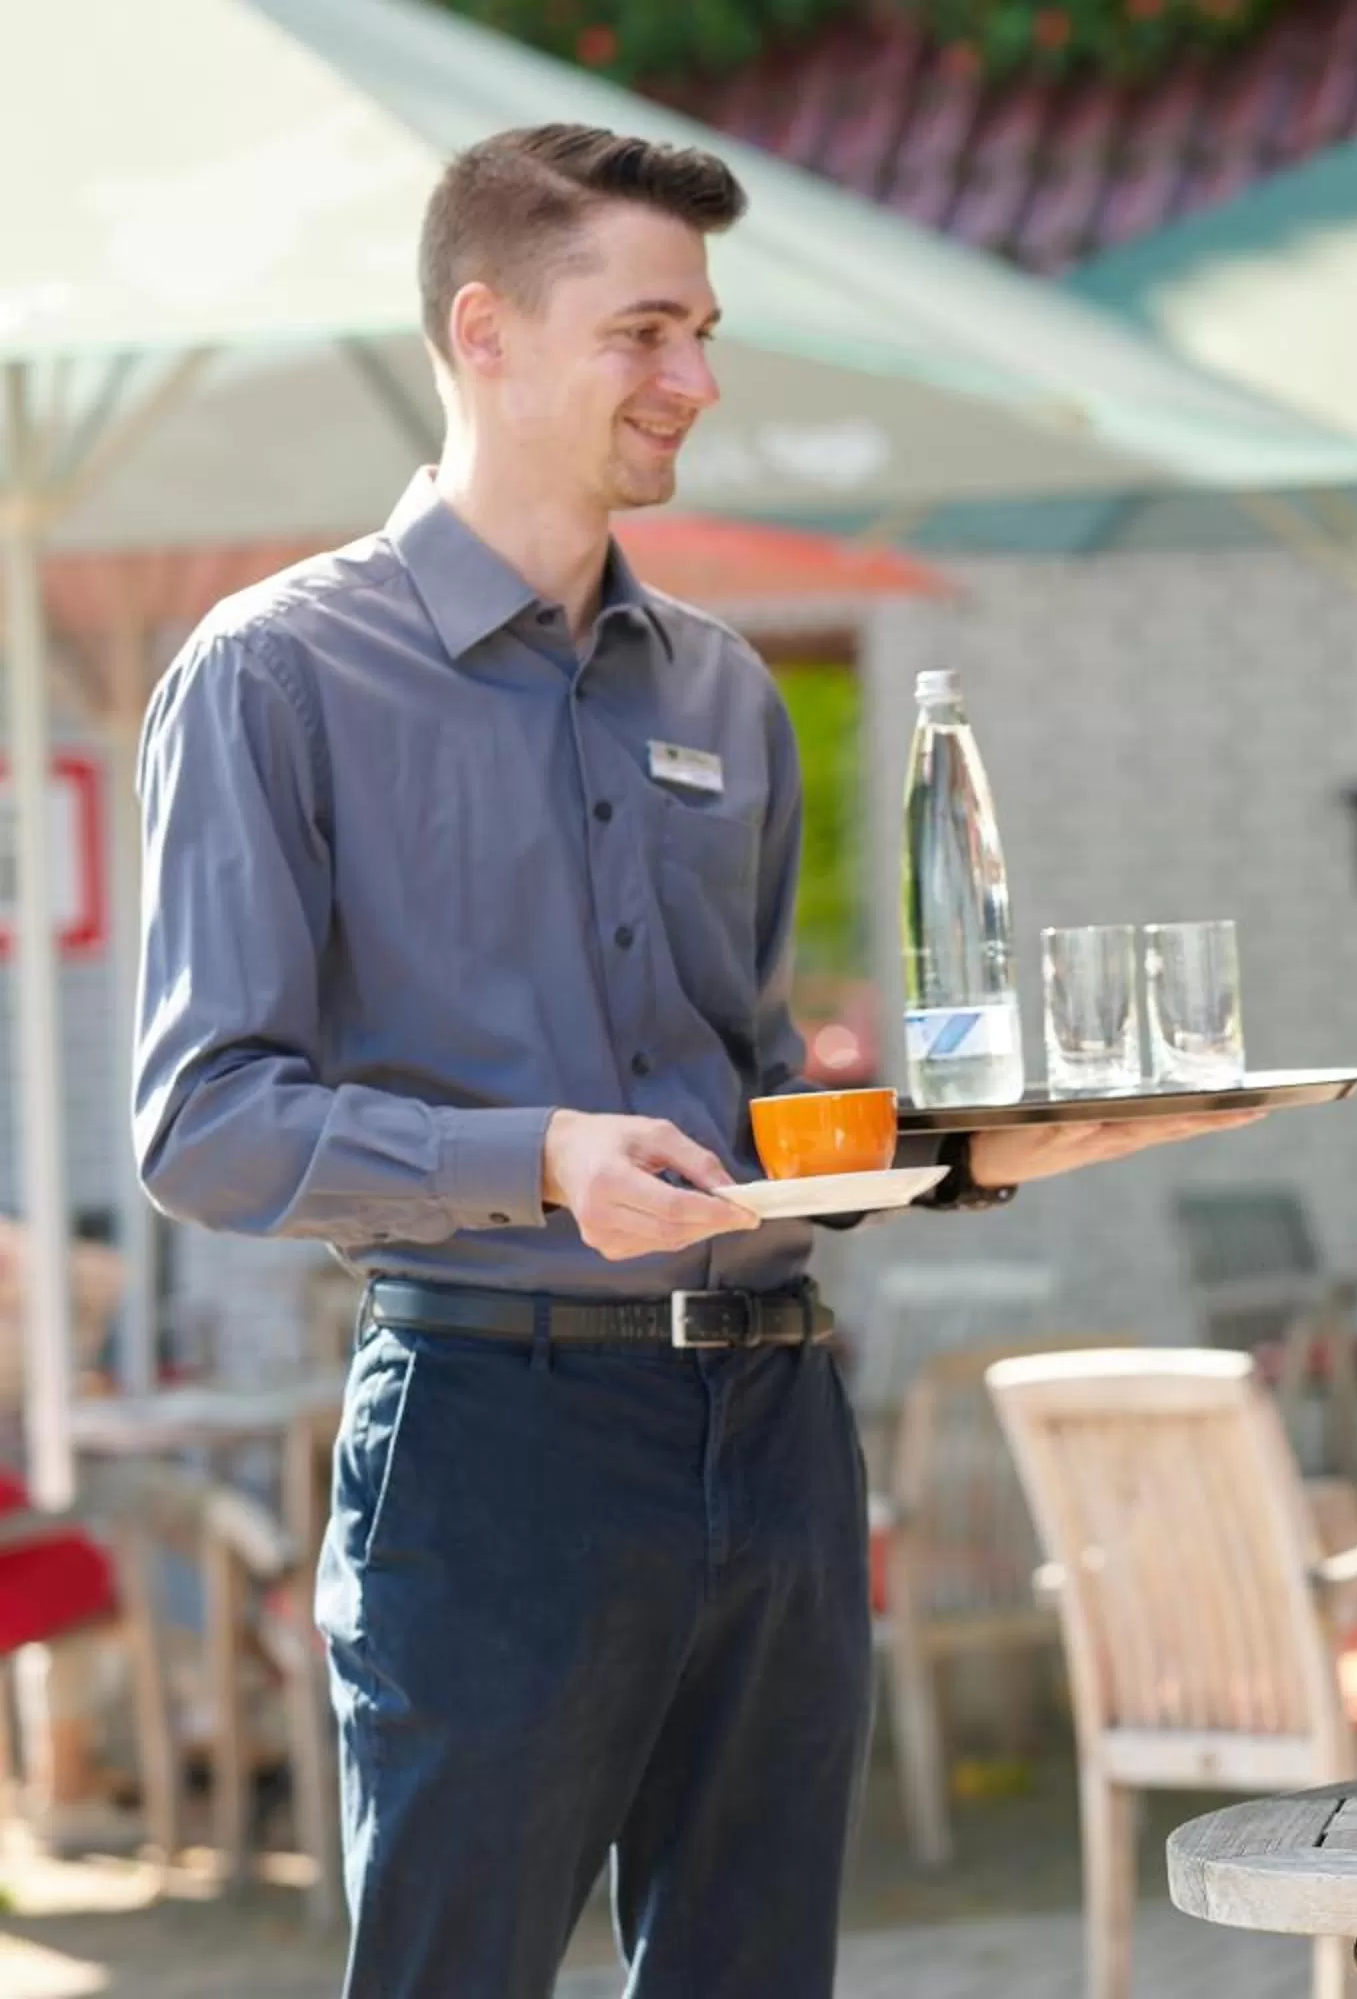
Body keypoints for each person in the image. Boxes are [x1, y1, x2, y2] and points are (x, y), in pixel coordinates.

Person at [132, 124, 1252, 1999]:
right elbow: (201, 1124)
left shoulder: (726, 691)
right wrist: (542, 1155)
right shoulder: (277, 677)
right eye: (647, 332)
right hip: (498, 1440)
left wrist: (969, 1148)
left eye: (705, 332)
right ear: (484, 329)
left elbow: (741, 1106)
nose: (698, 382)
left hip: (779, 1425)